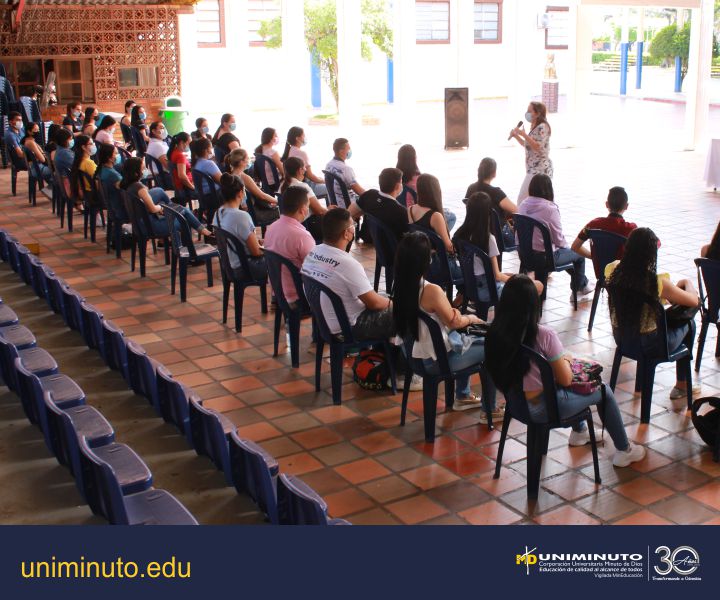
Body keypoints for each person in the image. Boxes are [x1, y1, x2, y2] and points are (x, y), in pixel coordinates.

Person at [485, 274, 646, 466]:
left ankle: (579, 431)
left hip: (515, 404)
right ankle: (624, 450)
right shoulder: (543, 335)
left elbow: (532, 287)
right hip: (542, 409)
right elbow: (566, 380)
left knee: (556, 376)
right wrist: (567, 362)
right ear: (532, 305)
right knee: (604, 391)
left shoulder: (497, 331)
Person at [392, 231, 498, 415]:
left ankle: (463, 395)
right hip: (436, 361)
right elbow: (455, 322)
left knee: (467, 337)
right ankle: (490, 409)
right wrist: (471, 318)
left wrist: (454, 316)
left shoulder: (399, 285)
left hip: (414, 357)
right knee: (493, 347)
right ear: (425, 261)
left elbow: (449, 317)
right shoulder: (431, 290)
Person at [606, 227, 701, 400]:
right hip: (651, 345)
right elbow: (694, 301)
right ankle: (682, 384)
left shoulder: (612, 270)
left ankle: (645, 383)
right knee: (689, 323)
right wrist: (687, 282)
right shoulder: (656, 282)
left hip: (622, 338)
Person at [301, 208, 393, 340]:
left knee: (386, 298)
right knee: (405, 311)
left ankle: (383, 351)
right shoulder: (348, 264)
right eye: (353, 225)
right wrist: (394, 304)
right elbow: (374, 303)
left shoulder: (313, 252)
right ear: (346, 233)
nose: (354, 228)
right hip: (347, 328)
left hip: (324, 322)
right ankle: (404, 357)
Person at [453, 192, 542, 302]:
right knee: (537, 286)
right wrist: (516, 281)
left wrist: (514, 277)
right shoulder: (488, 239)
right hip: (489, 290)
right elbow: (497, 276)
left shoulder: (460, 235)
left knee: (517, 277)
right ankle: (520, 317)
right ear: (488, 213)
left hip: (471, 286)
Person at [517, 174, 594, 300]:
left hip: (524, 255)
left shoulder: (523, 204)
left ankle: (583, 283)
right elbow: (559, 241)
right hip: (544, 259)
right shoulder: (550, 208)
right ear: (549, 189)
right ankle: (579, 288)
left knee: (568, 255)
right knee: (578, 255)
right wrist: (568, 249)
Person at [121, 156, 211, 239]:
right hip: (152, 227)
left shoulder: (127, 185)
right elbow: (152, 209)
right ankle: (191, 244)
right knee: (184, 217)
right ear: (136, 173)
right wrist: (161, 207)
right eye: (143, 168)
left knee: (160, 192)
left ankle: (205, 232)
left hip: (140, 225)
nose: (146, 170)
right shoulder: (139, 188)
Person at [264, 186, 316, 304]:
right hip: (297, 297)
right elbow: (315, 270)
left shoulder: (271, 228)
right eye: (308, 206)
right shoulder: (302, 236)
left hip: (277, 292)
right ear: (303, 209)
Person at [213, 173, 266, 280]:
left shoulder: (218, 213)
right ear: (241, 193)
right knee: (284, 260)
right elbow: (256, 252)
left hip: (230, 266)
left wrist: (260, 242)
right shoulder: (241, 216)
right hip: (245, 268)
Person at [571, 186, 638, 260]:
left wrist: (595, 257)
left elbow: (575, 247)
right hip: (621, 271)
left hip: (600, 271)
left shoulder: (592, 225)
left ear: (606, 204)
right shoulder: (632, 229)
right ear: (626, 206)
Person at [465, 157, 518, 248]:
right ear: (494, 173)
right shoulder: (496, 192)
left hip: (474, 230)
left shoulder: (471, 188)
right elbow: (516, 210)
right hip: (496, 234)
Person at [510, 101, 553, 204]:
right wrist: (516, 136)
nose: (527, 113)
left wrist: (523, 134)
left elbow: (538, 146)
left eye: (530, 111)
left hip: (540, 170)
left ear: (538, 113)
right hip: (533, 169)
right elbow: (528, 145)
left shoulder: (542, 127)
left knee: (522, 199)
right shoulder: (535, 127)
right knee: (539, 200)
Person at [355, 167, 408, 241]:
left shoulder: (369, 194)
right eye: (401, 182)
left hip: (368, 237)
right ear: (397, 186)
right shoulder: (401, 211)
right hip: (388, 247)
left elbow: (351, 212)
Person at [280, 156, 326, 241]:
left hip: (288, 225)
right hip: (307, 225)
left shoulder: (282, 185)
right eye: (304, 167)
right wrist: (329, 210)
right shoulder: (302, 186)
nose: (305, 170)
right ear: (300, 170)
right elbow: (319, 211)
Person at [281, 126, 326, 197]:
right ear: (297, 138)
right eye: (303, 135)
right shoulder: (302, 153)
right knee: (331, 188)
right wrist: (324, 181)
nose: (305, 137)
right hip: (307, 187)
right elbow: (311, 176)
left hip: (296, 184)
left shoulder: (289, 151)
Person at [325, 138, 366, 208]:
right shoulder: (346, 169)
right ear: (341, 151)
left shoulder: (328, 165)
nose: (350, 151)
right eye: (348, 149)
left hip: (335, 202)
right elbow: (360, 192)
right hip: (347, 204)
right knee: (369, 199)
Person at [167, 133, 195, 199]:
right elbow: (182, 176)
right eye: (189, 143)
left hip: (179, 187)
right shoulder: (180, 156)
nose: (190, 146)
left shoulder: (173, 152)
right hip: (185, 189)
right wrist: (192, 187)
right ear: (182, 142)